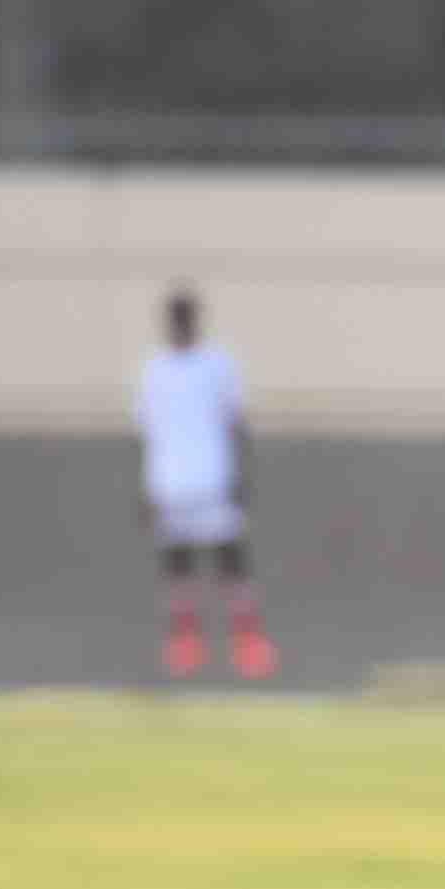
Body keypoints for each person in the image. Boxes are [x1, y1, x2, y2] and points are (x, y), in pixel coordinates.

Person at [135, 287, 266, 679]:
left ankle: (246, 642)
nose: (180, 324)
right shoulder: (154, 369)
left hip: (213, 478)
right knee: (178, 566)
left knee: (232, 562)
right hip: (170, 483)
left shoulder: (217, 365)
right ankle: (184, 643)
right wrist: (145, 490)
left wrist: (241, 474)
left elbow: (235, 422)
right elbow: (146, 431)